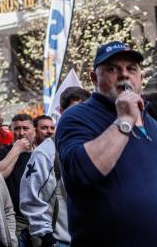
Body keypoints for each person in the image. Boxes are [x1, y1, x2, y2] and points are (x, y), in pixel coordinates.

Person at [56, 41, 157, 247]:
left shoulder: (151, 121)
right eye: (112, 69)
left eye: (131, 69)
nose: (124, 75)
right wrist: (124, 121)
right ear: (94, 78)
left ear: (141, 78)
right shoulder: (77, 117)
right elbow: (82, 173)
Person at [20, 87, 90, 247]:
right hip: (64, 241)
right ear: (61, 111)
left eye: (85, 110)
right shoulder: (47, 152)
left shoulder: (102, 142)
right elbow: (31, 198)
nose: (80, 116)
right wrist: (46, 236)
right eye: (74, 111)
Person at [0, 113, 35, 245]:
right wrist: (16, 150)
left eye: (26, 128)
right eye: (17, 129)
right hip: (14, 220)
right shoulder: (2, 153)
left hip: (37, 219)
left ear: (34, 131)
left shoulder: (41, 154)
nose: (21, 133)